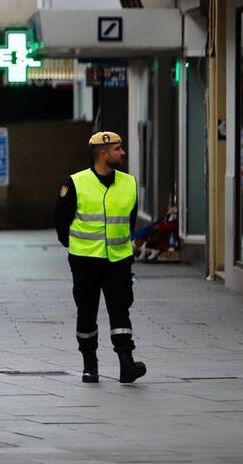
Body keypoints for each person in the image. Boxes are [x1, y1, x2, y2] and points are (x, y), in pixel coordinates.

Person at [54, 131, 147, 384]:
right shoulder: (75, 183)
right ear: (103, 154)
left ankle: (126, 364)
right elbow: (61, 221)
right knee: (86, 312)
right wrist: (74, 246)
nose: (123, 153)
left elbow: (129, 220)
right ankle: (90, 365)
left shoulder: (129, 183)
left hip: (118, 260)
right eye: (118, 149)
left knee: (120, 310)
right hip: (85, 261)